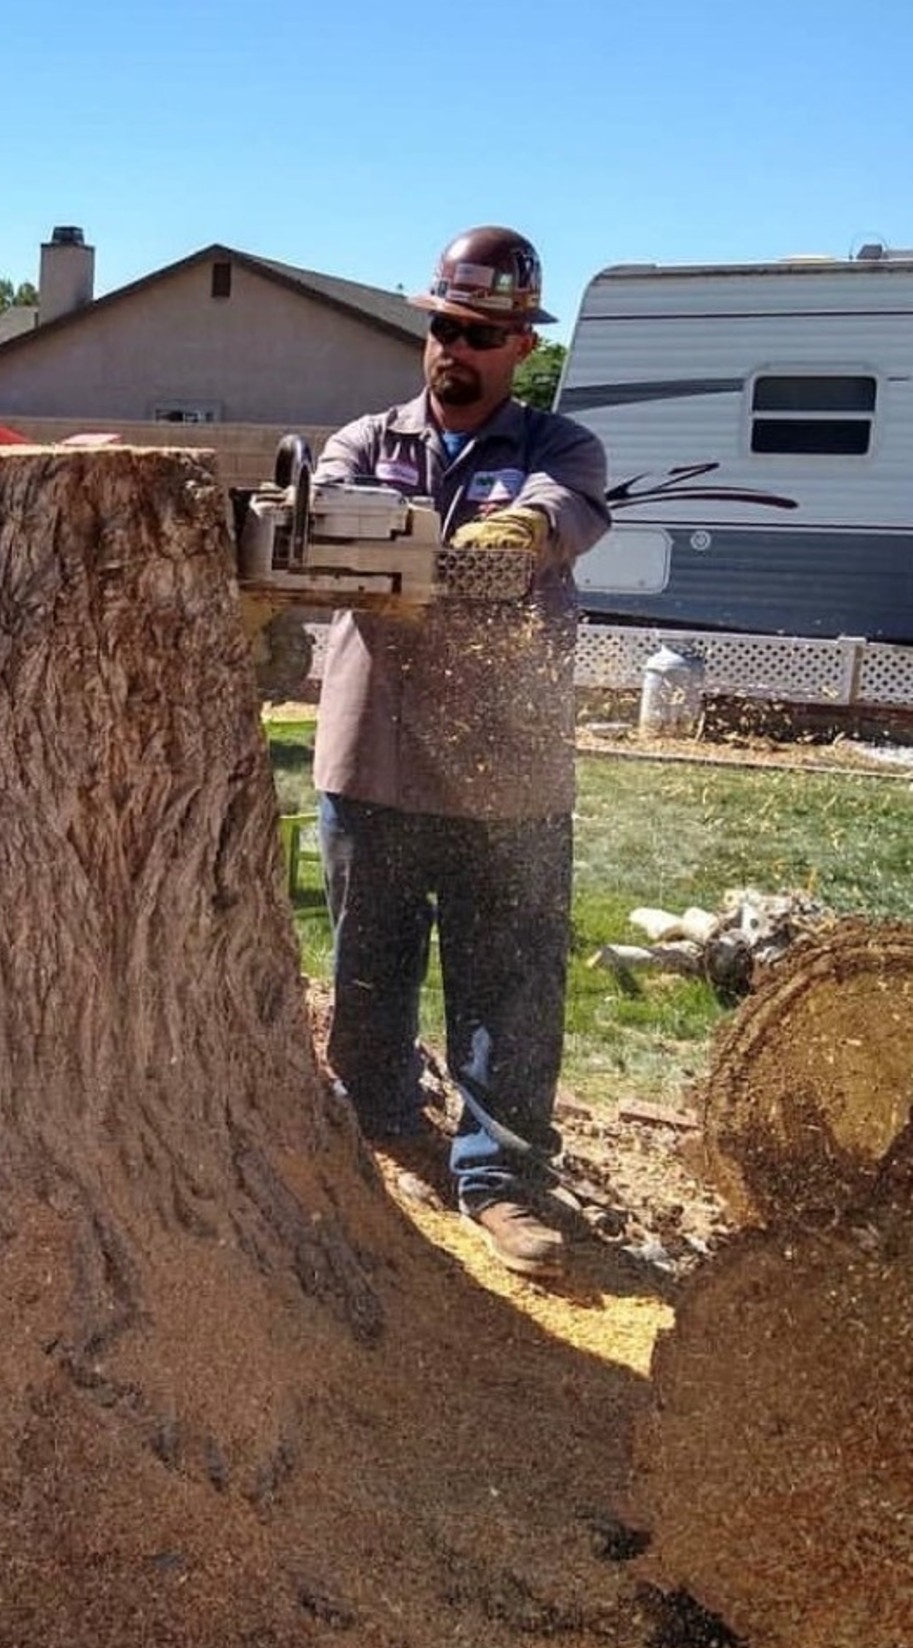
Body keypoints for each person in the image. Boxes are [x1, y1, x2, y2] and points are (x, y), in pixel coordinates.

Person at [310, 226, 610, 1279]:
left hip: (507, 779)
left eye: (481, 334)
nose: (455, 349)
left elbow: (568, 510)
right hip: (375, 761)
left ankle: (502, 1183)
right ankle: (386, 1136)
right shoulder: (364, 443)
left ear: (520, 345)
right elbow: (330, 522)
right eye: (443, 327)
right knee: (367, 974)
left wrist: (524, 532)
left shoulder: (558, 451)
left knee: (509, 992)